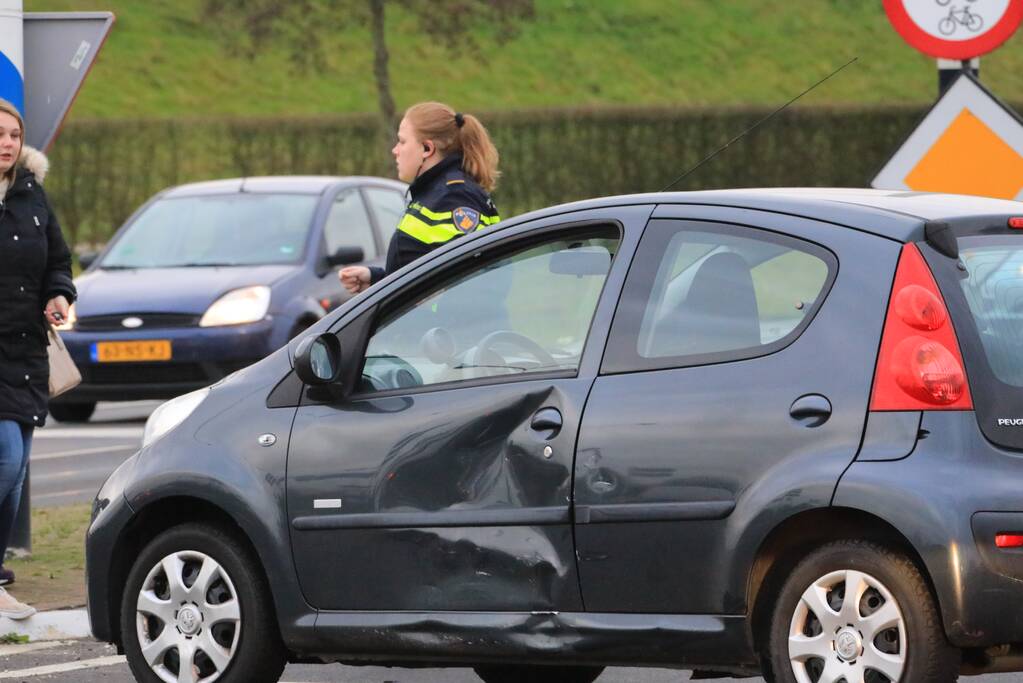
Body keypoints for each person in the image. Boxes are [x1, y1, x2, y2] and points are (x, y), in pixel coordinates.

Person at [0, 98, 75, 620]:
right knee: (5, 463)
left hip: (26, 351)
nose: (7, 142)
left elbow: (59, 261)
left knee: (18, 472)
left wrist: (60, 294)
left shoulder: (32, 194)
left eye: (13, 134)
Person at [339, 102, 501, 294]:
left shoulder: (454, 198)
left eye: (402, 141)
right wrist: (377, 281)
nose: (395, 150)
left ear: (426, 148)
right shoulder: (435, 193)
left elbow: (468, 286)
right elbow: (427, 274)